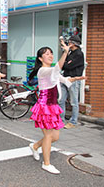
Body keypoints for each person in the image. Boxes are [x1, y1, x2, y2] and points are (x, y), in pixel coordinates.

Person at [28, 44, 85, 174]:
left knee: (55, 137)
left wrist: (76, 78)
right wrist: (65, 53)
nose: (50, 55)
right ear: (40, 58)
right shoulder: (43, 70)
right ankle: (46, 163)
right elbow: (57, 69)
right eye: (47, 54)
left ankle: (35, 146)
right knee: (48, 135)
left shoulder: (52, 72)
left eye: (51, 53)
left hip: (53, 106)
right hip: (44, 106)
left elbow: (64, 79)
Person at [59, 35, 85, 129]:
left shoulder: (79, 54)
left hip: (74, 79)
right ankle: (61, 120)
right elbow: (62, 64)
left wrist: (65, 64)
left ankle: (73, 121)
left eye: (70, 42)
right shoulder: (69, 52)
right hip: (65, 78)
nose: (68, 43)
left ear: (74, 43)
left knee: (74, 102)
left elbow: (68, 66)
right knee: (61, 100)